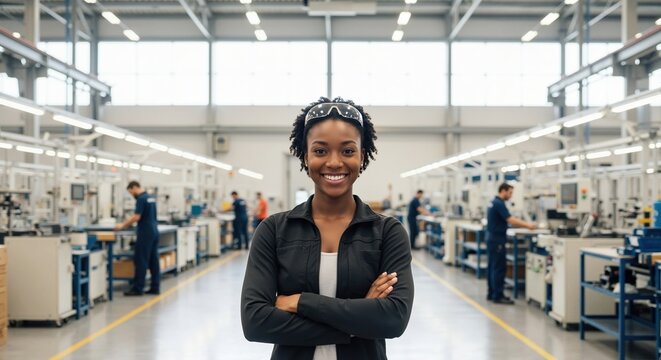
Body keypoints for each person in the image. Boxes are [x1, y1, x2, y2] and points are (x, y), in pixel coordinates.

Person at [241, 97, 414, 360]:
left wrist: (300, 302)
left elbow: (393, 319)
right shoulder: (274, 231)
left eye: (347, 151)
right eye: (320, 151)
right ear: (305, 155)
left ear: (362, 156)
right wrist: (360, 321)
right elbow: (256, 322)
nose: (334, 162)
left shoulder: (387, 233)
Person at [486, 183, 536, 305]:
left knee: (492, 267)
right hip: (497, 240)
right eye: (510, 192)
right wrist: (528, 225)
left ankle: (491, 293)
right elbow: (510, 219)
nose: (511, 195)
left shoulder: (493, 202)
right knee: (499, 268)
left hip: (492, 238)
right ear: (503, 191)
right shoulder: (499, 203)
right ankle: (498, 295)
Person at [114, 181, 160, 296]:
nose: (132, 195)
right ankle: (155, 287)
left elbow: (136, 216)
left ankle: (138, 288)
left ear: (134, 187)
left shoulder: (141, 199)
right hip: (154, 231)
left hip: (145, 232)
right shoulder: (151, 198)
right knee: (153, 260)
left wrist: (122, 225)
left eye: (131, 192)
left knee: (141, 260)